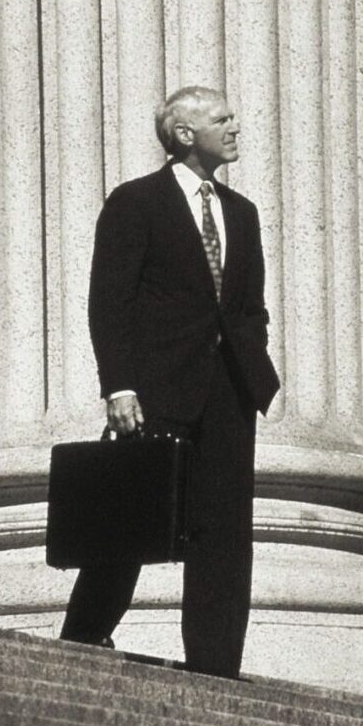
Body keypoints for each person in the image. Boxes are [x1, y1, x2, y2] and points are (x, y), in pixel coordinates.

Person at [59, 86, 280, 679]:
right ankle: (83, 634)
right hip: (156, 387)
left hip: (229, 390)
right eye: (220, 118)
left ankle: (215, 667)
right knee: (133, 517)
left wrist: (254, 358)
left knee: (225, 533)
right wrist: (120, 385)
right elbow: (110, 302)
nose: (235, 125)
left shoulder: (242, 212)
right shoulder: (137, 203)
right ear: (184, 134)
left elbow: (249, 304)